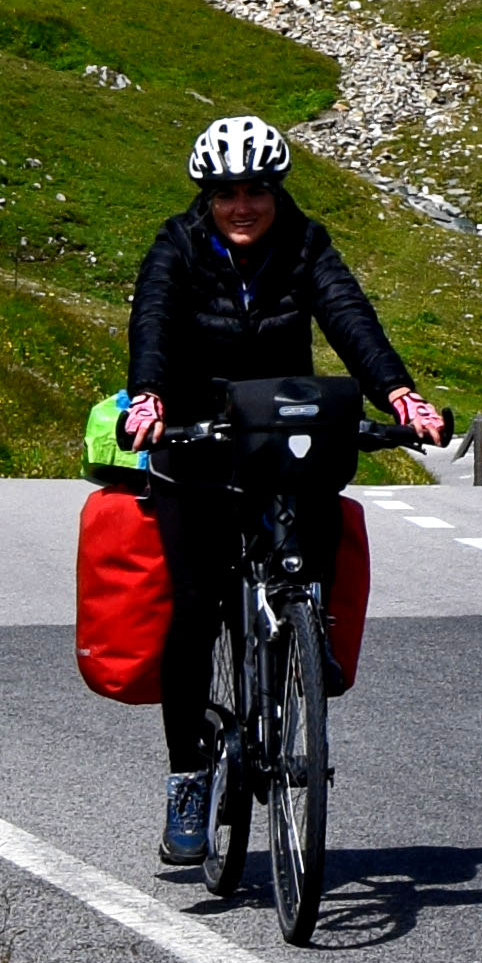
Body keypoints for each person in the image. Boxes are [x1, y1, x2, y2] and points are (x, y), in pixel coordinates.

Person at [120, 116, 439, 865]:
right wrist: (149, 397)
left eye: (256, 190)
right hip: (195, 436)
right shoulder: (177, 245)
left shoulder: (306, 243)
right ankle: (188, 776)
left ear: (276, 191)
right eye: (226, 192)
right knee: (196, 605)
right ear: (207, 196)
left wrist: (397, 392)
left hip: (276, 425)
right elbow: (153, 321)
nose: (242, 205)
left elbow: (348, 316)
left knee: (321, 480)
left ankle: (307, 625)